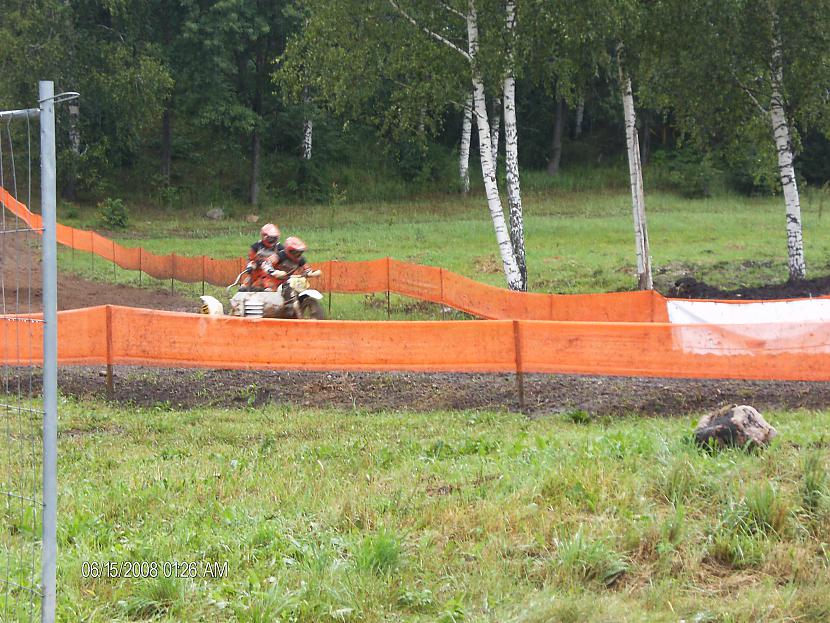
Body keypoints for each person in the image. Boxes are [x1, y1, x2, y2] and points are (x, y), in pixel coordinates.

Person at [240, 223, 281, 291]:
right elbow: (251, 259)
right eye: (270, 238)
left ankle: (269, 293)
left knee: (269, 287)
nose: (272, 240)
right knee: (243, 288)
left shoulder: (280, 248)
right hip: (257, 272)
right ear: (264, 237)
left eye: (274, 238)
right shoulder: (256, 246)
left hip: (272, 274)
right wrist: (250, 266)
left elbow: (283, 261)